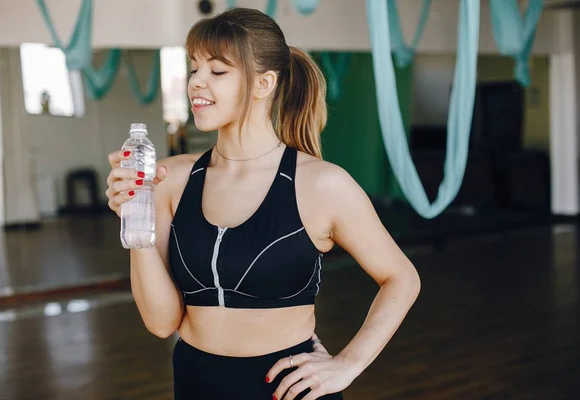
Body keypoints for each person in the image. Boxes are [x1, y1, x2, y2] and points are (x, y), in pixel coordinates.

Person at [105, 7, 420, 400]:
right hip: (195, 380)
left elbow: (401, 278)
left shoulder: (321, 184)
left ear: (264, 83)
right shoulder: (170, 180)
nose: (196, 83)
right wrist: (136, 221)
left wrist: (348, 364)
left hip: (285, 388)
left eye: (217, 71)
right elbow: (160, 322)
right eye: (193, 69)